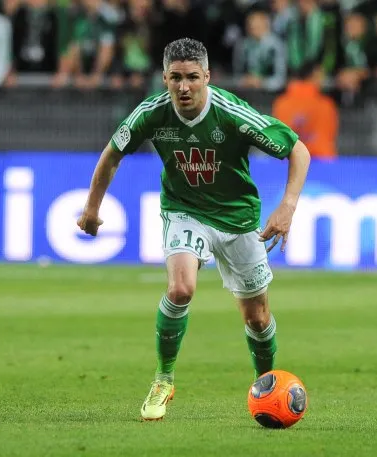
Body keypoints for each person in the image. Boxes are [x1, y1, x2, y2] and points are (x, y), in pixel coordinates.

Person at [76, 38, 311, 419]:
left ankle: (266, 384)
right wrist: (91, 209)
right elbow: (112, 154)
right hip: (184, 209)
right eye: (175, 78)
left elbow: (298, 150)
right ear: (164, 78)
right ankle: (163, 378)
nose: (183, 87)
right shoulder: (151, 112)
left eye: (192, 78)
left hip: (237, 218)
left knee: (258, 317)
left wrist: (287, 207)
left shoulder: (232, 113)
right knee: (180, 288)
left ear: (207, 77)